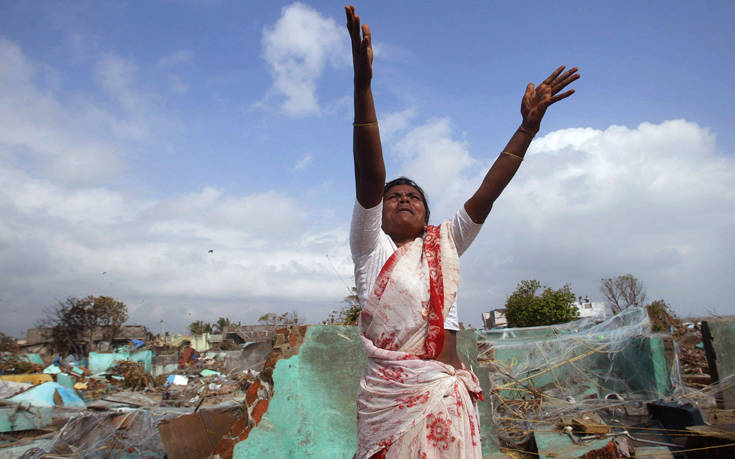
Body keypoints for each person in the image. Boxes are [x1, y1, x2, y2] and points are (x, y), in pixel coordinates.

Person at [345, 5, 579, 458]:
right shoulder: (369, 249)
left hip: (447, 395)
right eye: (395, 197)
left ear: (428, 214)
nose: (404, 198)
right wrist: (363, 85)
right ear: (379, 213)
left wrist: (527, 129)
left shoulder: (444, 242)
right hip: (390, 400)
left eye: (414, 196)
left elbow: (488, 192)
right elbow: (370, 177)